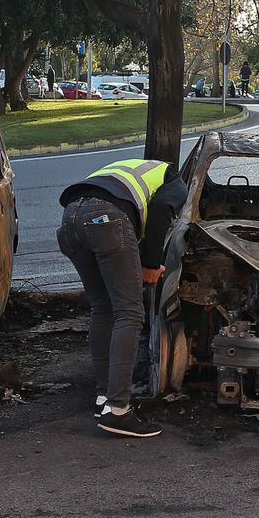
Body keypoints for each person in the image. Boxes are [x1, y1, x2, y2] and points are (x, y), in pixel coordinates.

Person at [57, 158, 187, 438]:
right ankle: (119, 410)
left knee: (102, 308)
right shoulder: (175, 180)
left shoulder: (133, 168)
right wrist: (151, 264)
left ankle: (104, 398)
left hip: (70, 219)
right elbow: (163, 209)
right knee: (129, 312)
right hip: (106, 218)